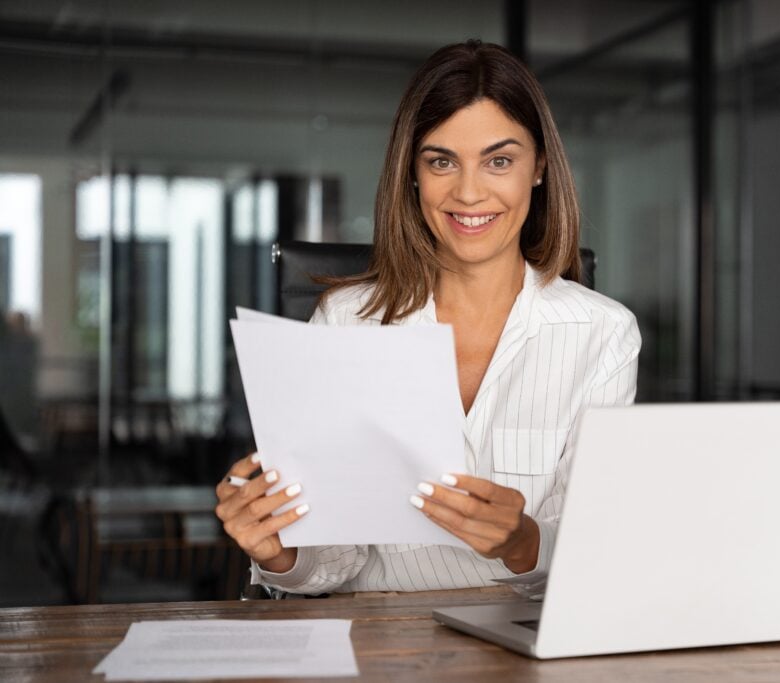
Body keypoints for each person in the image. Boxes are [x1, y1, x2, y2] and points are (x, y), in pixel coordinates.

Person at [215, 40, 641, 598]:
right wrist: (281, 552)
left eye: (499, 160)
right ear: (412, 174)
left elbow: (597, 549)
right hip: (378, 641)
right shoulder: (345, 320)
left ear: (538, 168)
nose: (468, 192)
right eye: (442, 161)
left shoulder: (604, 334)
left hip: (525, 646)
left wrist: (521, 541)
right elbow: (331, 558)